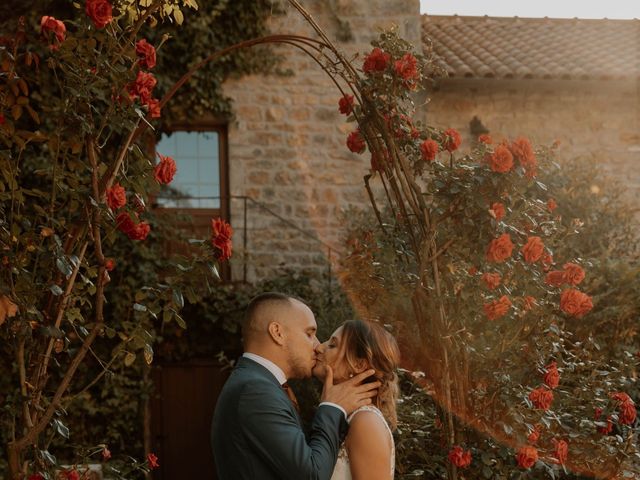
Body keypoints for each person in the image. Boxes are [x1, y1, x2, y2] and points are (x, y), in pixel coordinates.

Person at [211, 292, 380, 480]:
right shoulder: (256, 392)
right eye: (309, 334)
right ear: (278, 333)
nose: (317, 346)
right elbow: (312, 475)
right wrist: (331, 407)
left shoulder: (259, 385)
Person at [313, 319, 400, 480]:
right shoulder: (345, 417)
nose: (318, 348)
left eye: (332, 345)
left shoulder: (365, 421)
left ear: (359, 365)